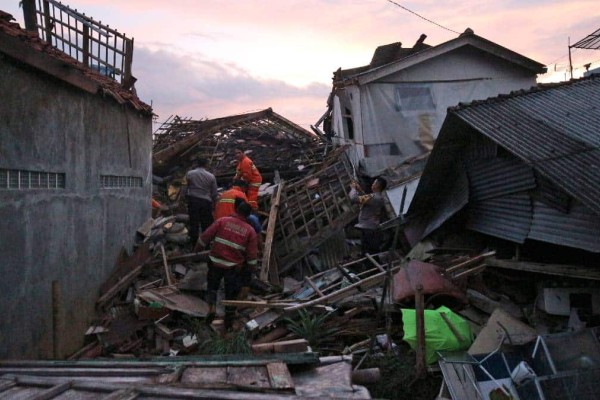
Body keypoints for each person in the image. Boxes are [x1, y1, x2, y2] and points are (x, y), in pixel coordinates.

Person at [195, 200, 258, 330]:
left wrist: (197, 250)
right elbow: (252, 256)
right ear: (248, 215)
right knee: (231, 294)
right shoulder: (250, 231)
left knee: (212, 286)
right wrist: (250, 271)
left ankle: (211, 308)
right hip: (233, 267)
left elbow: (205, 237)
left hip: (215, 261)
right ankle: (228, 323)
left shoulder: (222, 221)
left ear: (236, 210)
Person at [184, 158, 218, 247]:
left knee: (193, 223)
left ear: (197, 163)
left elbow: (184, 188)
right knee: (206, 224)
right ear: (206, 164)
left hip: (193, 200)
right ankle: (205, 244)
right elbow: (214, 193)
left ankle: (194, 244)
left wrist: (186, 198)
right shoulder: (211, 176)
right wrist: (214, 205)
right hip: (206, 202)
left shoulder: (190, 174)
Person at [349, 177, 388, 255]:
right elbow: (366, 199)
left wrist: (353, 189)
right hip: (370, 228)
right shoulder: (378, 197)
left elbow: (353, 198)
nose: (372, 184)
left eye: (374, 183)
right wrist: (359, 190)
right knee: (370, 252)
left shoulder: (374, 197)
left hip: (369, 230)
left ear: (377, 186)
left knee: (369, 253)